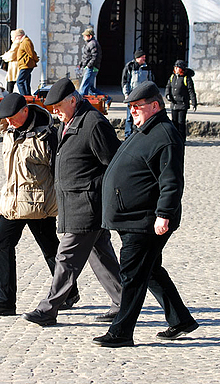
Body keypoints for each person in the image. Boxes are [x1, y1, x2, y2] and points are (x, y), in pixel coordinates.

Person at [93, 81, 198, 348]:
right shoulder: (145, 129)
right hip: (133, 218)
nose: (133, 112)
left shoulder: (165, 135)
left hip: (146, 221)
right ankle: (181, 320)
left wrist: (163, 214)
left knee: (132, 275)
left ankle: (121, 332)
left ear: (155, 105)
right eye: (131, 107)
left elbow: (172, 181)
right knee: (149, 270)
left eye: (138, 107)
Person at [21, 78, 122, 326]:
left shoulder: (94, 123)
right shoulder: (67, 123)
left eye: (57, 106)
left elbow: (115, 163)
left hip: (87, 204)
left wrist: (102, 196)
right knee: (101, 257)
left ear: (73, 100)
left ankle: (48, 309)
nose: (54, 112)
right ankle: (123, 302)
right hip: (73, 202)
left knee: (65, 258)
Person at [0, 93, 78, 317]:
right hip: (12, 202)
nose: (9, 123)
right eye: (6, 119)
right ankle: (4, 302)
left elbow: (58, 172)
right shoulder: (9, 130)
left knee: (50, 249)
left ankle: (68, 293)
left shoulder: (47, 135)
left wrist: (63, 200)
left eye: (12, 118)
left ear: (25, 110)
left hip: (38, 204)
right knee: (1, 247)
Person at [121, 49, 154, 138]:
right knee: (130, 117)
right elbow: (125, 81)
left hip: (143, 96)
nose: (144, 59)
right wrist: (126, 94)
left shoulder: (147, 67)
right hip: (132, 96)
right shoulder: (129, 66)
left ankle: (138, 135)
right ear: (137, 58)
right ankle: (128, 135)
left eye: (144, 57)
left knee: (142, 116)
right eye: (142, 57)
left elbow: (150, 80)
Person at [165, 60, 197, 142]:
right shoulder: (173, 77)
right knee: (174, 122)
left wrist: (194, 102)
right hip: (174, 104)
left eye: (177, 68)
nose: (176, 69)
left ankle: (181, 139)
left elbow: (191, 91)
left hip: (182, 104)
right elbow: (168, 87)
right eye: (175, 67)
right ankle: (174, 139)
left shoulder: (186, 78)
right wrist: (168, 95)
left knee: (181, 123)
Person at [77, 28, 104, 97]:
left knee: (84, 87)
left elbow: (94, 56)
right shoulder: (90, 44)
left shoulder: (93, 44)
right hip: (91, 67)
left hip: (92, 68)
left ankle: (81, 101)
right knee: (90, 88)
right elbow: (86, 56)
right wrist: (81, 64)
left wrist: (89, 66)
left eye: (85, 36)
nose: (84, 37)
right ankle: (106, 98)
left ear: (90, 36)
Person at [15, 29, 39, 96]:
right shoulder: (24, 41)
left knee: (19, 82)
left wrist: (36, 59)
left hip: (26, 65)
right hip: (25, 65)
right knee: (26, 82)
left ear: (20, 35)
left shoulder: (26, 41)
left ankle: (24, 96)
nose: (16, 38)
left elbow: (31, 53)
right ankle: (28, 96)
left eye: (17, 36)